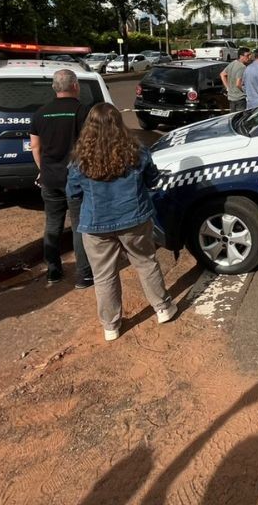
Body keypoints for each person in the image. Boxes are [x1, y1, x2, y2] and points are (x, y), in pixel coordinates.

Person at [66, 103, 177, 341]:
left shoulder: (80, 158)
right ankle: (163, 308)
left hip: (96, 225)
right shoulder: (136, 150)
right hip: (133, 218)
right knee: (146, 263)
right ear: (119, 123)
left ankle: (110, 326)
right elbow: (153, 180)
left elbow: (72, 192)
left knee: (104, 275)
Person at [30, 69, 94, 288]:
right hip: (77, 179)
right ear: (75, 86)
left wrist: (43, 169)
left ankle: (53, 271)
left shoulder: (40, 114)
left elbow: (35, 146)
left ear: (54, 88)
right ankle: (84, 276)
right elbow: (89, 146)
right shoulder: (83, 112)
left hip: (50, 179)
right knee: (79, 226)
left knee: (53, 225)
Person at [219, 47, 252, 113]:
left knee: (233, 118)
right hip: (240, 98)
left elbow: (222, 74)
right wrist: (247, 92)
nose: (249, 57)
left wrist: (228, 88)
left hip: (231, 98)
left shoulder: (233, 63)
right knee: (241, 119)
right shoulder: (242, 67)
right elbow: (238, 84)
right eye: (247, 55)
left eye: (250, 55)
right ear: (241, 56)